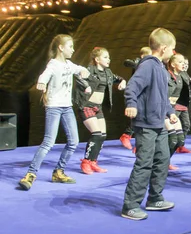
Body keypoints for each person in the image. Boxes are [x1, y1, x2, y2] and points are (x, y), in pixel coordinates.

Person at [18, 34, 90, 190]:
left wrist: (84, 71)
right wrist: (42, 83)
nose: (73, 49)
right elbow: (44, 76)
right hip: (54, 107)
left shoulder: (69, 64)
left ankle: (59, 172)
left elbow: (80, 69)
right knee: (48, 142)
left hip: (67, 107)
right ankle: (31, 174)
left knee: (74, 142)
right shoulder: (53, 64)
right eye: (70, 46)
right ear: (61, 48)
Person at [121, 28, 178, 221]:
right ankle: (130, 205)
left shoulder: (161, 68)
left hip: (158, 123)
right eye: (172, 49)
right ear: (163, 48)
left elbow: (161, 97)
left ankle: (154, 199)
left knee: (162, 160)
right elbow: (132, 87)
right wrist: (131, 104)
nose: (173, 53)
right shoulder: (148, 66)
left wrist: (170, 112)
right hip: (146, 124)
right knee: (144, 163)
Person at [76, 47, 126, 174]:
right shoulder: (89, 71)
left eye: (108, 57)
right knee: (96, 134)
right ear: (97, 59)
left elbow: (119, 78)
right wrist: (85, 86)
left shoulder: (108, 73)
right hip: (87, 105)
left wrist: (123, 82)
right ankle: (86, 162)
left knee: (102, 135)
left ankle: (93, 161)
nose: (108, 59)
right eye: (105, 57)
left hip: (98, 108)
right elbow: (78, 77)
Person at [120, 46, 151, 150]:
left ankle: (139, 143)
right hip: (137, 94)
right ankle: (126, 135)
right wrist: (138, 63)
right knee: (137, 117)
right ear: (142, 56)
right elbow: (127, 62)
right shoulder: (139, 62)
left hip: (145, 94)